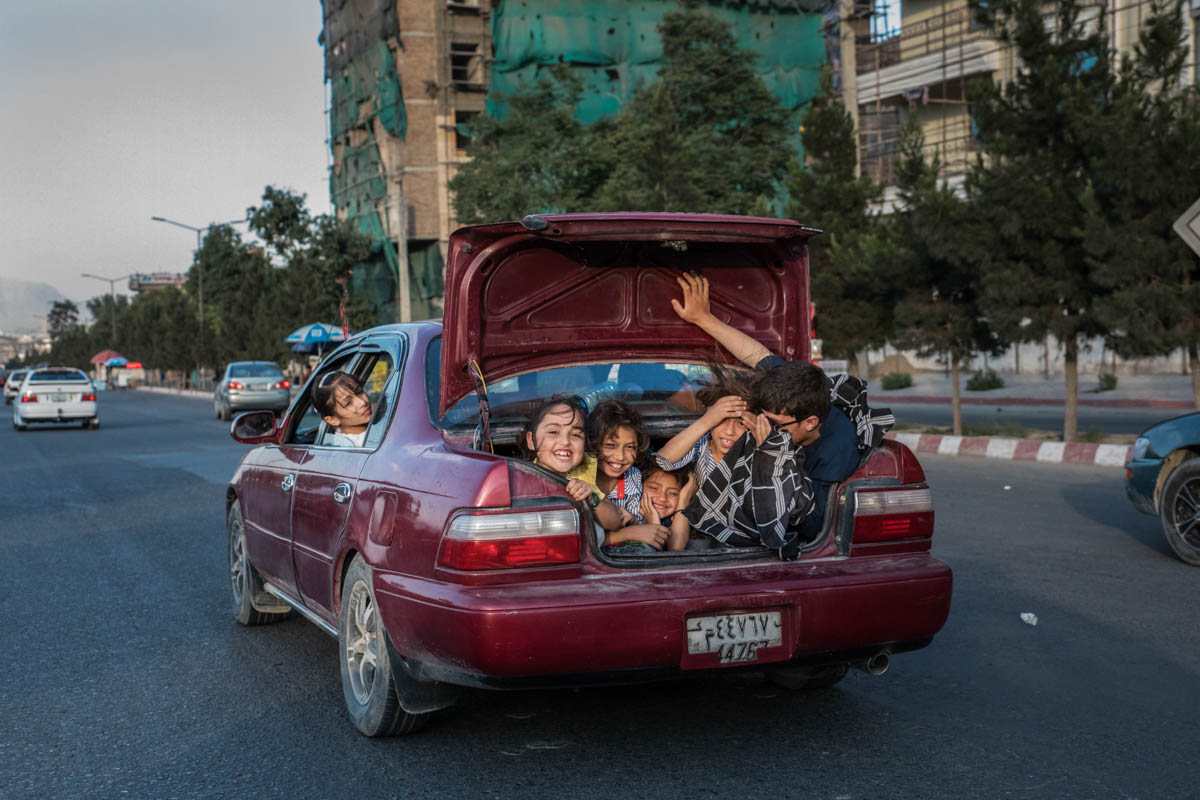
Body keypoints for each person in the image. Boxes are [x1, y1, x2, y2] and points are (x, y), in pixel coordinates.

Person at [671, 272, 893, 542]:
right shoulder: (794, 388)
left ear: (809, 423)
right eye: (764, 417)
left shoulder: (836, 453)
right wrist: (702, 318)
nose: (764, 425)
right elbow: (758, 355)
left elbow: (812, 526)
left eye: (776, 423)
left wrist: (771, 453)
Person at [521, 396, 670, 551]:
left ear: (585, 443)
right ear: (531, 440)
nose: (565, 441)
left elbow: (613, 521)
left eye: (575, 435)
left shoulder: (584, 471)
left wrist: (591, 498)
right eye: (553, 432)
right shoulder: (520, 481)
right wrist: (627, 533)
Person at [638, 462, 693, 551]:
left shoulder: (676, 520)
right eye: (654, 488)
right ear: (639, 486)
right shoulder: (631, 516)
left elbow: (676, 548)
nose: (662, 498)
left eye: (673, 493)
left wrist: (684, 500)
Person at [312, 371, 373, 447]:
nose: (362, 402)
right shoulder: (361, 444)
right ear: (333, 420)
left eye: (359, 392)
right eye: (348, 403)